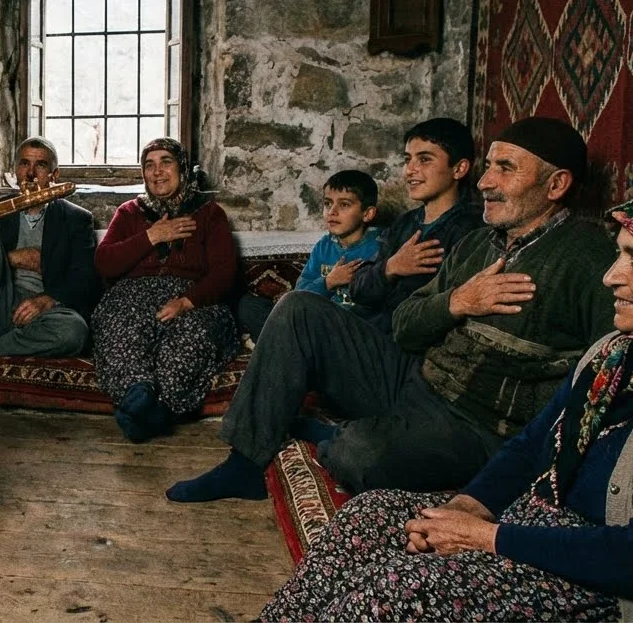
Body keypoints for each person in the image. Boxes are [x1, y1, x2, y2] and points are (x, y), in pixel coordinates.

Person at [168, 116, 617, 502]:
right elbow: (404, 328)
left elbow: (605, 375)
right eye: (488, 168)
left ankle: (335, 436)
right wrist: (457, 302)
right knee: (297, 307)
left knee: (358, 454)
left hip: (478, 426)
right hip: (415, 377)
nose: (485, 182)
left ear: (556, 184)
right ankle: (244, 463)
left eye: (505, 169)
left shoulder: (590, 262)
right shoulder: (480, 242)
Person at [260, 197, 633, 622]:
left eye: (631, 258)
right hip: (523, 514)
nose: (611, 276)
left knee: (397, 590)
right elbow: (534, 444)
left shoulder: (576, 262)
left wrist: (489, 537)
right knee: (363, 518)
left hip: (584, 567)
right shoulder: (610, 353)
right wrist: (468, 506)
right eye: (619, 254)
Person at [92, 137, 240, 442]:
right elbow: (105, 263)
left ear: (183, 169)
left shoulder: (209, 214)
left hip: (192, 298)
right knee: (120, 328)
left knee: (194, 334)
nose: (157, 171)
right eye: (149, 165)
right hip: (132, 296)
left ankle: (149, 413)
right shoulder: (129, 212)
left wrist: (187, 301)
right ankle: (141, 398)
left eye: (166, 162)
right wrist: (152, 236)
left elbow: (225, 273)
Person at [0, 137, 99, 370]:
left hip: (44, 312)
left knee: (74, 331)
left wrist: (45, 301)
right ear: (15, 171)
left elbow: (85, 277)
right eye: (24, 164)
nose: (30, 173)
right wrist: (12, 258)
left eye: (40, 165)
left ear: (54, 175)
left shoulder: (76, 219)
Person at [347, 117, 484, 335]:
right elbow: (358, 289)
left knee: (299, 309)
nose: (409, 170)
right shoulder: (405, 223)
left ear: (459, 168)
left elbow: (438, 309)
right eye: (407, 159)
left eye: (424, 160)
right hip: (366, 329)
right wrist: (390, 267)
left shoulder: (472, 229)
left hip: (396, 345)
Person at [238, 170, 381, 341]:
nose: (332, 211)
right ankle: (282, 343)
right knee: (250, 306)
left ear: (367, 214)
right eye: (328, 203)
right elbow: (301, 293)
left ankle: (277, 344)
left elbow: (380, 305)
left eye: (344, 205)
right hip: (315, 323)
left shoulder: (380, 247)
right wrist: (329, 282)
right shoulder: (324, 246)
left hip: (348, 333)